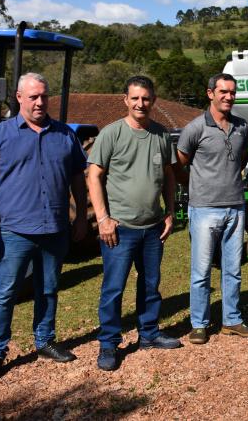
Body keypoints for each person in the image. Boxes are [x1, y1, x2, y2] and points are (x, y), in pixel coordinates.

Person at [0, 72, 87, 383]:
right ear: (19, 97)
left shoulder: (65, 135)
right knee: (5, 293)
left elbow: (78, 177)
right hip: (13, 231)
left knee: (48, 289)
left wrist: (81, 217)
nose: (39, 102)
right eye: (33, 96)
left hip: (54, 230)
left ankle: (45, 342)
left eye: (44, 96)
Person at [88, 76, 180, 371]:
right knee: (113, 288)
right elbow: (94, 175)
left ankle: (149, 333)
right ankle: (109, 343)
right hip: (119, 229)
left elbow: (168, 175)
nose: (141, 104)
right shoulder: (111, 134)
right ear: (125, 100)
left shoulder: (161, 134)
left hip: (153, 227)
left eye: (146, 98)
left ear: (154, 101)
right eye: (135, 98)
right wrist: (103, 218)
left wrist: (170, 211)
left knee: (150, 284)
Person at [176, 73, 248, 343]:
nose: (228, 96)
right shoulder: (195, 128)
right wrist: (193, 186)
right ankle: (199, 324)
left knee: (233, 268)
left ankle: (231, 320)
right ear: (210, 93)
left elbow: (242, 159)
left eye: (232, 92)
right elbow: (179, 162)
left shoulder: (241, 127)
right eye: (223, 91)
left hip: (235, 207)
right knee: (201, 271)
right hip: (204, 209)